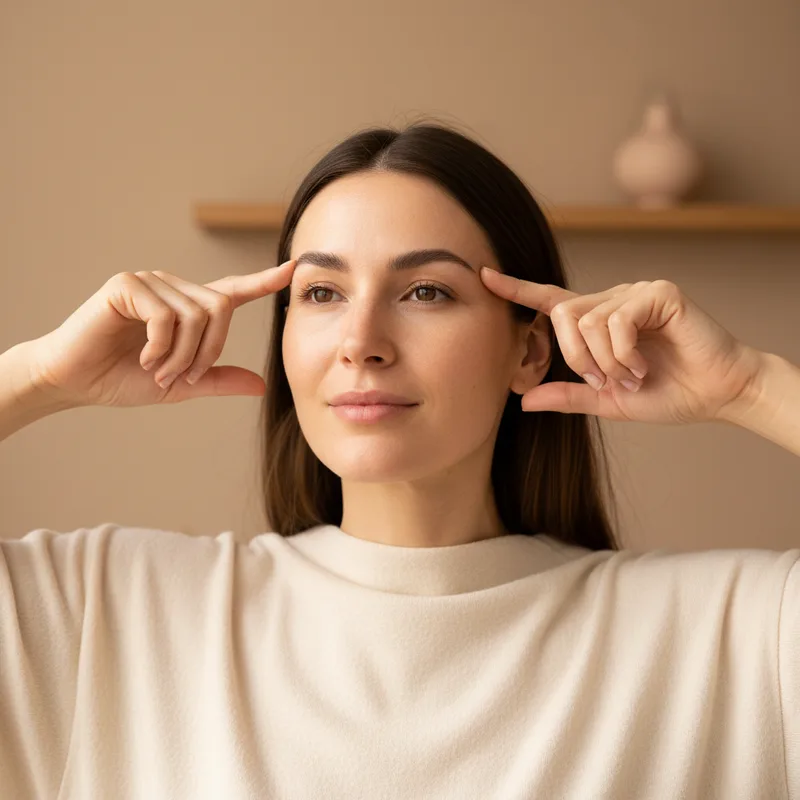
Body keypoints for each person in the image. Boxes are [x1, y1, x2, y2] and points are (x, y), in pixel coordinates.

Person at [1, 121, 798, 799]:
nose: (361, 343)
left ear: (530, 352)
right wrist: (40, 375)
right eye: (322, 293)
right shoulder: (108, 614)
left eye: (426, 292)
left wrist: (751, 385)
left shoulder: (725, 637)